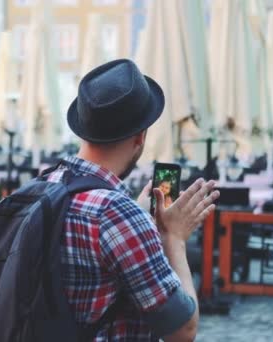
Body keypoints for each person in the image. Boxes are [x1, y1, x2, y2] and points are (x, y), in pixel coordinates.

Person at [45, 59, 219, 341]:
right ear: (140, 136)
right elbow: (183, 330)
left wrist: (137, 216)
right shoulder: (116, 215)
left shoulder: (46, 183)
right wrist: (173, 237)